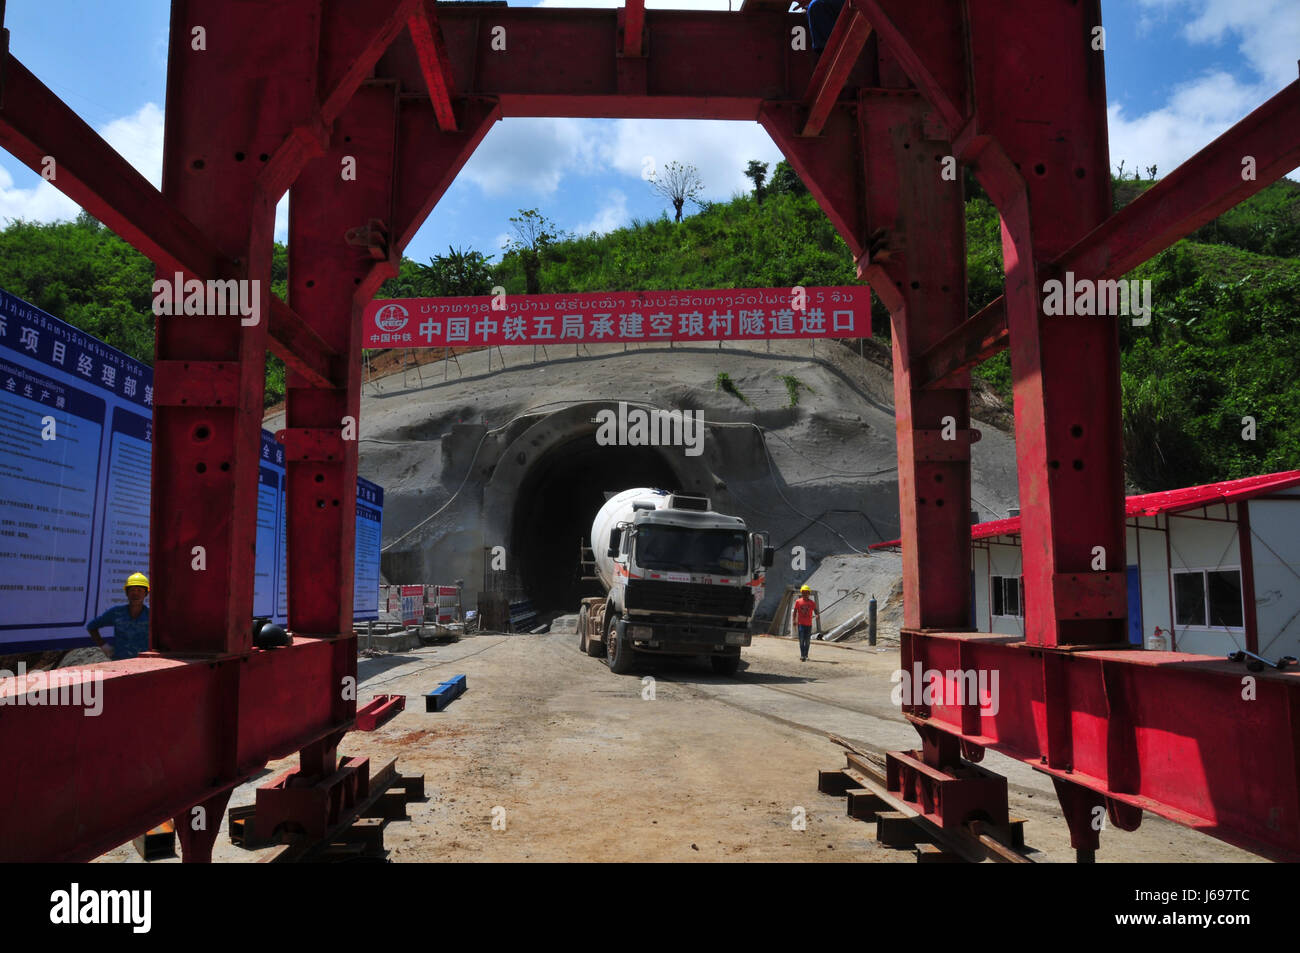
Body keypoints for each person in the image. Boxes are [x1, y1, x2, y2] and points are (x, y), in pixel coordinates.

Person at [87, 572, 151, 660]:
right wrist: (104, 646)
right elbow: (91, 626)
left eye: (139, 590)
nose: (135, 594)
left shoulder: (151, 614)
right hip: (120, 662)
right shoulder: (116, 613)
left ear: (146, 593)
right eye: (132, 590)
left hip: (145, 663)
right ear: (127, 593)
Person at [792, 584, 818, 662]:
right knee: (801, 640)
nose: (805, 594)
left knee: (807, 641)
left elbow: (815, 610)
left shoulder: (812, 603)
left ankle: (806, 655)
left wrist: (817, 615)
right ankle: (802, 655)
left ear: (809, 593)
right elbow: (795, 611)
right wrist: (794, 620)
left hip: (809, 625)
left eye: (806, 593)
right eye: (803, 592)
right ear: (801, 593)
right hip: (801, 624)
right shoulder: (798, 602)